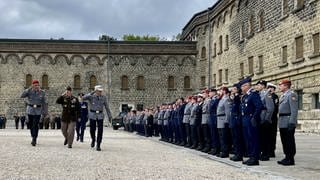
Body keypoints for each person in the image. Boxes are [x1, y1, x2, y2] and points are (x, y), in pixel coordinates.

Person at [239, 77, 263, 166]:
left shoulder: (253, 94)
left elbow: (259, 106)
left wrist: (254, 117)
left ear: (246, 86)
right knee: (248, 139)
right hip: (245, 119)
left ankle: (255, 158)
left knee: (253, 138)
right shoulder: (246, 96)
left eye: (242, 86)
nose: (241, 88)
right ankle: (251, 156)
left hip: (251, 119)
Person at [83, 85, 112, 151]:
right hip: (92, 115)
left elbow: (107, 107)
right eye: (99, 91)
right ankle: (93, 139)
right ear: (96, 90)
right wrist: (92, 92)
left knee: (100, 130)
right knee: (92, 130)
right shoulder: (91, 96)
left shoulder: (103, 97)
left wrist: (110, 116)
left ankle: (98, 144)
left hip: (100, 115)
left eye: (101, 91)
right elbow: (83, 98)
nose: (100, 92)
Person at [20, 79, 48, 146]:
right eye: (35, 85)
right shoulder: (29, 91)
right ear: (32, 85)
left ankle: (34, 139)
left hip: (38, 111)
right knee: (30, 125)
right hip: (30, 110)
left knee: (35, 125)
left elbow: (44, 103)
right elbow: (22, 95)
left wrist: (45, 112)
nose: (36, 87)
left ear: (39, 85)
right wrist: (28, 89)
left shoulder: (42, 92)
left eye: (37, 85)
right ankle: (33, 135)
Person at [277, 79, 298, 166]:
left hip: (288, 120)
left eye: (280, 85)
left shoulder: (291, 94)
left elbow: (294, 110)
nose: (279, 86)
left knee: (289, 141)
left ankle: (290, 158)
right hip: (282, 121)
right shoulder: (283, 96)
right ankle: (286, 157)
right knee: (284, 140)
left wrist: (292, 122)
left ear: (286, 86)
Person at [256, 80, 274, 161]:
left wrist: (267, 119)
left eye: (259, 85)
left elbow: (270, 108)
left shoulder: (267, 94)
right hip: (259, 118)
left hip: (265, 118)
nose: (257, 87)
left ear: (263, 86)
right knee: (260, 137)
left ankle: (266, 154)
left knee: (265, 138)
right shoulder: (258, 94)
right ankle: (262, 152)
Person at [229, 84, 244, 161]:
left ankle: (239, 154)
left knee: (238, 138)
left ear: (238, 89)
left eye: (234, 89)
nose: (232, 90)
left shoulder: (238, 98)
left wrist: (238, 119)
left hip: (236, 119)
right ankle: (236, 153)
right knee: (234, 138)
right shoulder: (234, 97)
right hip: (233, 119)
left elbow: (239, 109)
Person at [216, 87, 231, 158]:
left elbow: (228, 111)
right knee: (221, 137)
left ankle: (225, 151)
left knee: (224, 137)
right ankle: (222, 150)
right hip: (219, 119)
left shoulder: (226, 99)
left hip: (223, 119)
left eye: (221, 90)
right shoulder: (221, 99)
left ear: (224, 91)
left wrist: (226, 121)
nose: (219, 92)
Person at [267, 82, 279, 158]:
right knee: (267, 135)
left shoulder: (275, 97)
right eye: (268, 88)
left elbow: (275, 108)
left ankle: (272, 151)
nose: (269, 89)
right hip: (267, 118)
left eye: (271, 88)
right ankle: (268, 150)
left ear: (274, 89)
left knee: (272, 135)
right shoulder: (267, 96)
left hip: (273, 118)